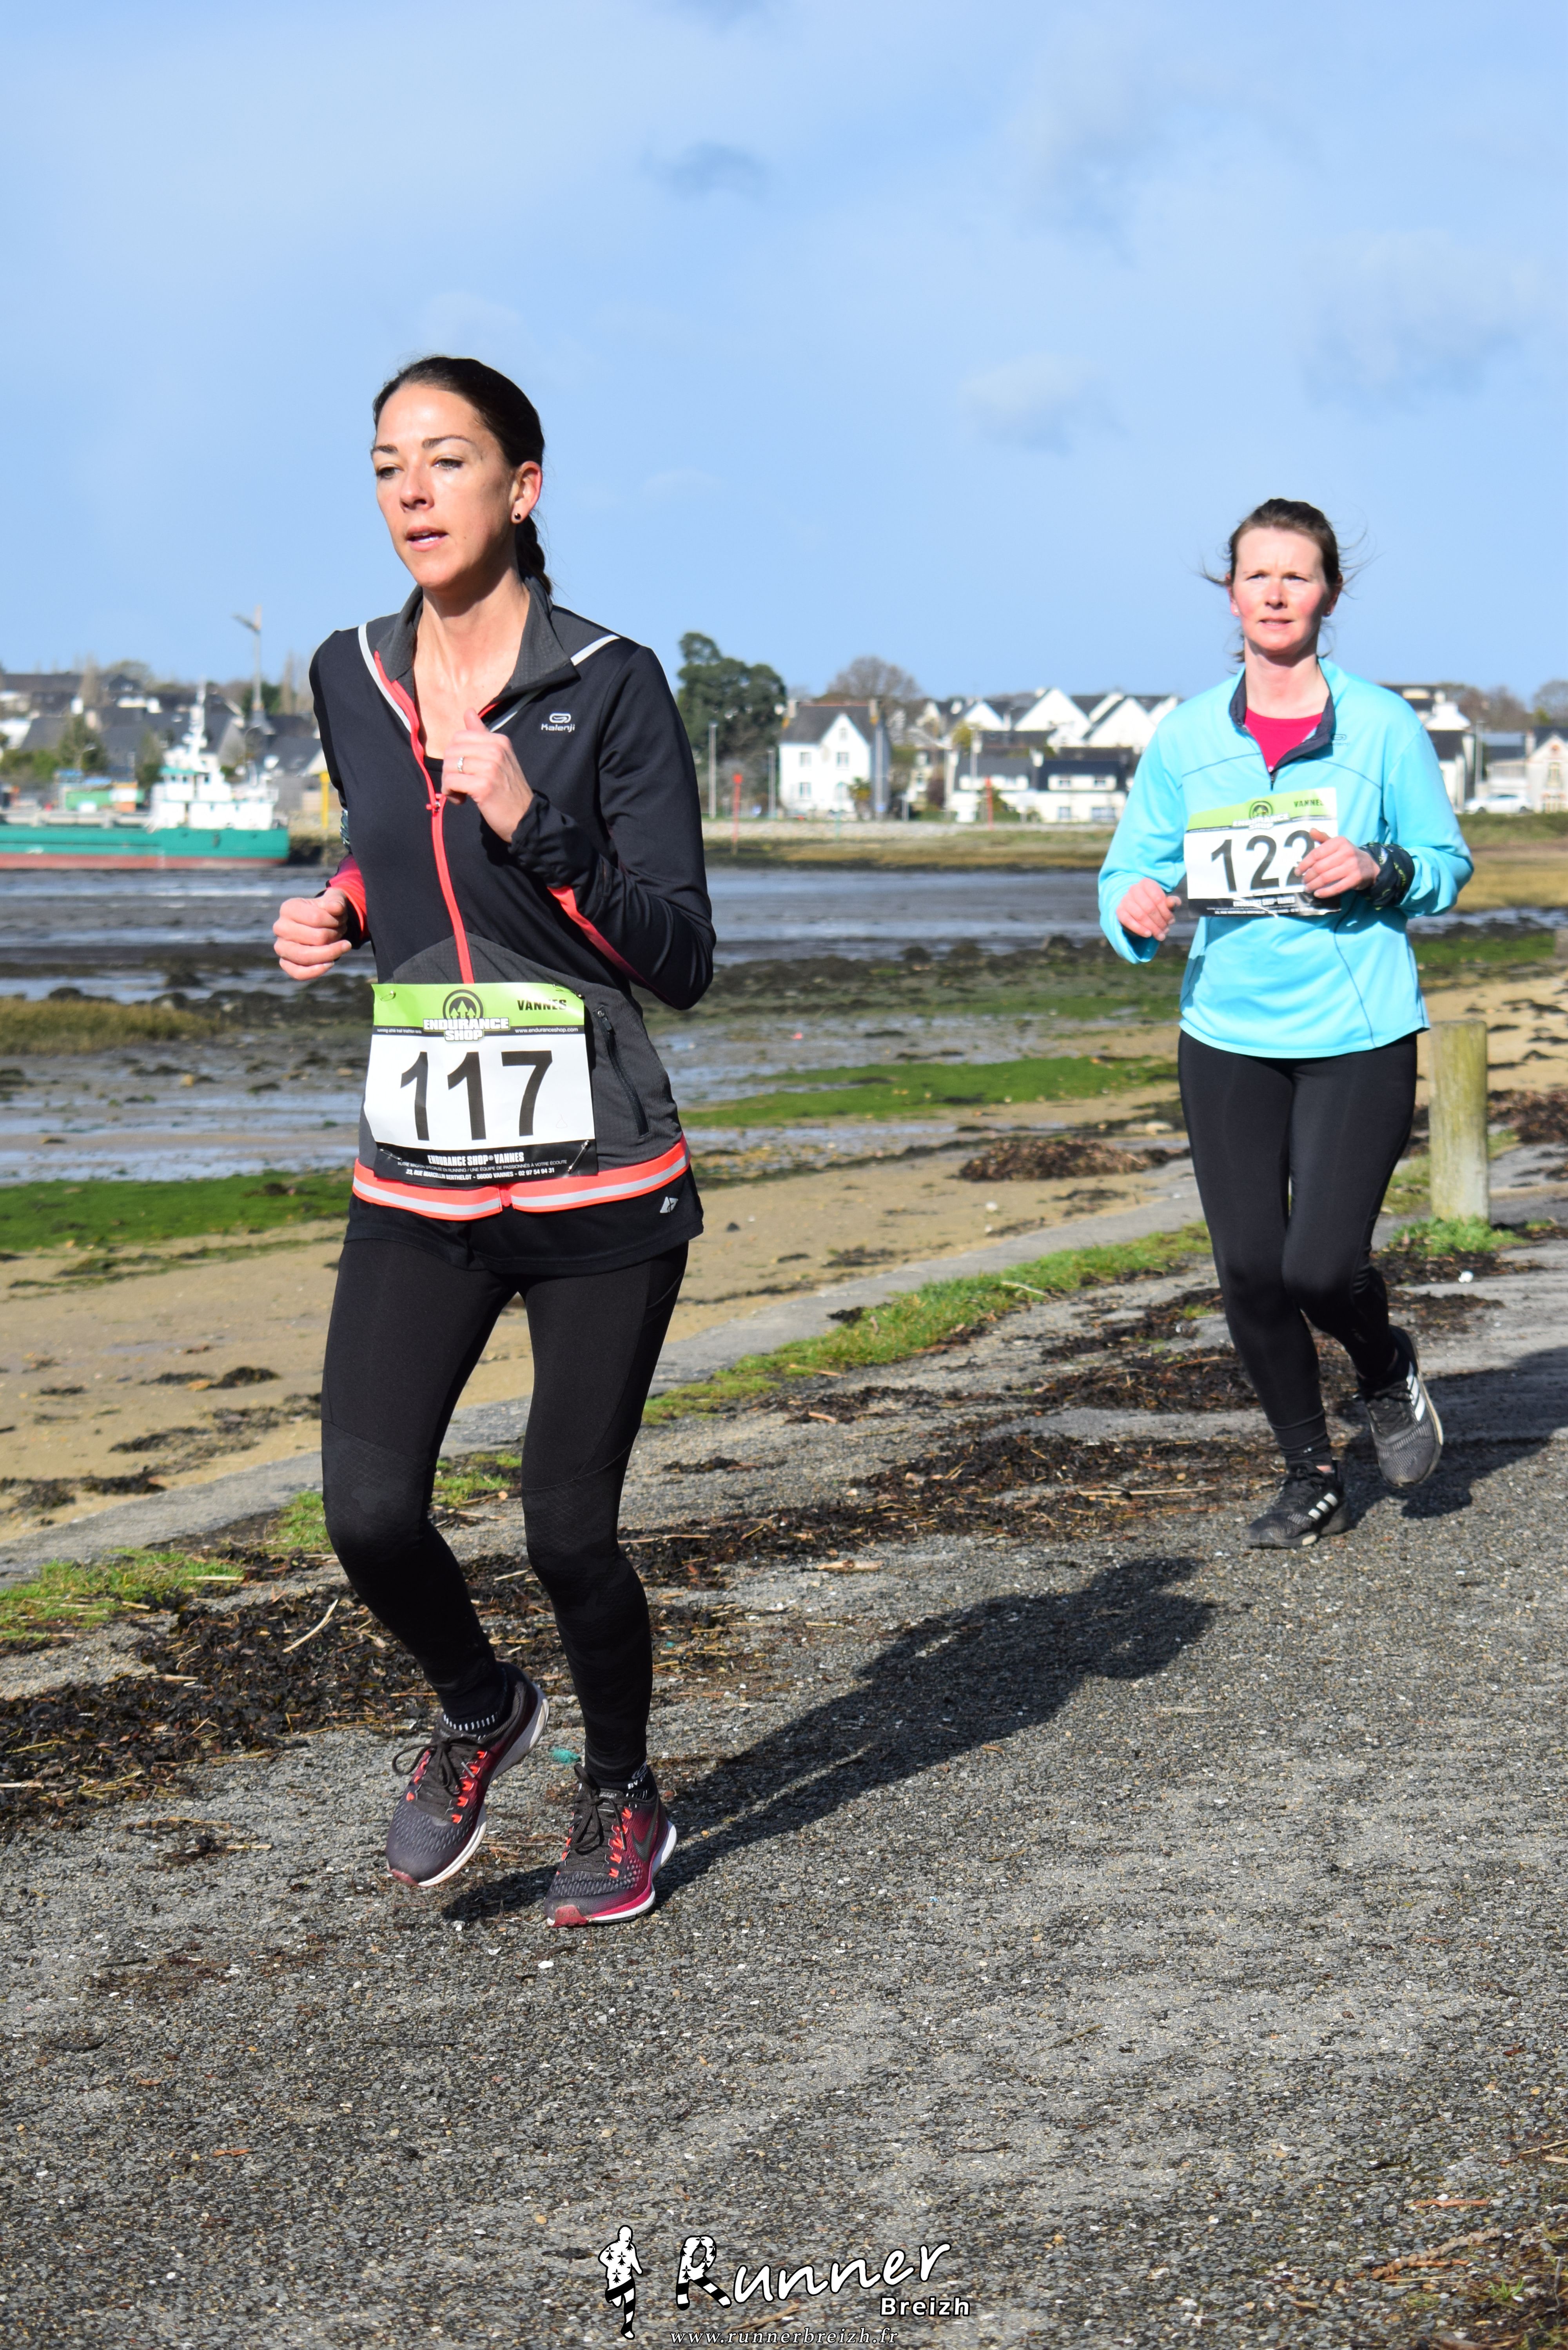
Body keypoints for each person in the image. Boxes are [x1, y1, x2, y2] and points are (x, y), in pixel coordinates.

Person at [272, 354, 711, 1919]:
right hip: (421, 1176)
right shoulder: (348, 671)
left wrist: (540, 822)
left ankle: (623, 1790)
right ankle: (479, 1707)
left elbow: (679, 951)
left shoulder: (613, 680)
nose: (413, 489)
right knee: (368, 1511)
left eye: (446, 458)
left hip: (601, 1175)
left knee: (568, 1527)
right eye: (387, 463)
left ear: (522, 488)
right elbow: (391, 844)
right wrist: (342, 900)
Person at [1098, 497, 1472, 1547]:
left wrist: (1379, 866)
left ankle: (1385, 1364)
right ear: (1231, 594)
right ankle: (1311, 1472)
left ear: (1329, 593)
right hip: (1227, 1036)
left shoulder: (1382, 726)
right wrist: (1133, 909)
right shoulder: (1186, 736)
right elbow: (1128, 870)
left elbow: (1445, 864)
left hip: (1357, 1030)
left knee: (1319, 1268)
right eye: (1256, 575)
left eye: (1296, 575)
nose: (1274, 593)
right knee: (1251, 1272)